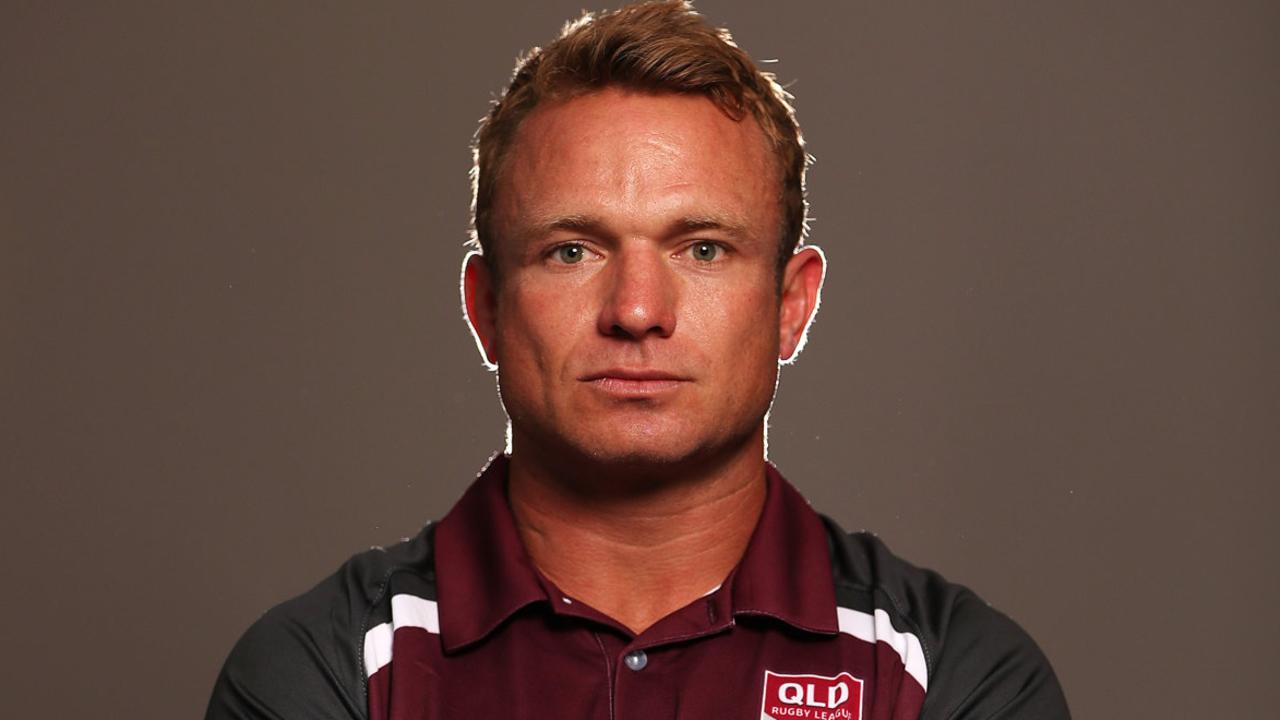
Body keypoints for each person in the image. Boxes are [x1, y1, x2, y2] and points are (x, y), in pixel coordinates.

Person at [206, 2, 1069, 718]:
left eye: (702, 249)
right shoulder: (326, 666)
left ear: (791, 306)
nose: (637, 311)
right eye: (572, 252)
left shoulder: (952, 672)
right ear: (486, 309)